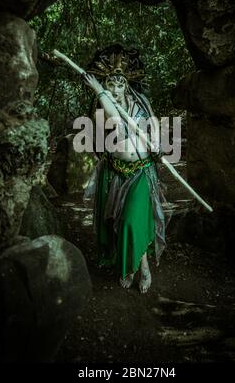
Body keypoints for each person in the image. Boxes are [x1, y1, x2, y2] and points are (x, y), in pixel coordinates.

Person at [84, 44, 169, 293]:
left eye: (119, 84)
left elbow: (153, 124)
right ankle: (135, 265)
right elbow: (117, 122)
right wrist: (99, 91)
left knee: (132, 221)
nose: (115, 89)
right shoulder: (101, 105)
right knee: (120, 223)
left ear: (127, 85)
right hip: (115, 172)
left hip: (141, 171)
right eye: (110, 84)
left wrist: (157, 144)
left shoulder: (141, 103)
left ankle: (142, 267)